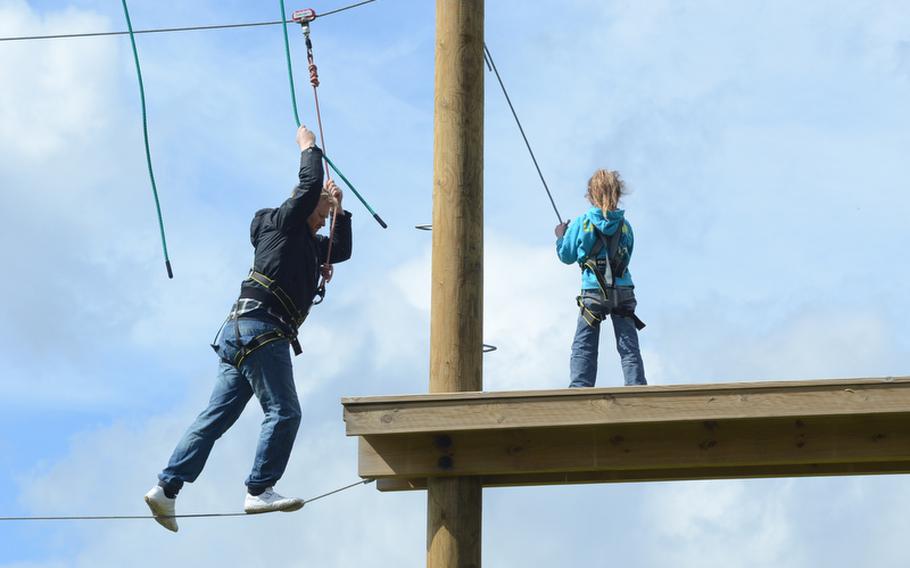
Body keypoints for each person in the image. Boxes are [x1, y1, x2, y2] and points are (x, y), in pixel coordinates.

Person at [144, 125, 353, 532]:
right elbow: (309, 186)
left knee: (215, 418)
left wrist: (340, 209)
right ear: (305, 208)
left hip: (241, 333)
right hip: (262, 331)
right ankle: (260, 489)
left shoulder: (303, 242)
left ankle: (166, 488)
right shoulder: (283, 222)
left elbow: (339, 250)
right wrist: (309, 148)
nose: (324, 220)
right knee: (284, 411)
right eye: (323, 213)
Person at [555, 168, 646, 388]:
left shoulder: (581, 223)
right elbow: (628, 255)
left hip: (594, 291)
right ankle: (635, 385)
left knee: (584, 343)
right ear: (618, 194)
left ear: (590, 194)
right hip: (623, 291)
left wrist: (560, 236)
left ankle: (580, 386)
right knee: (628, 344)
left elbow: (566, 256)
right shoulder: (626, 227)